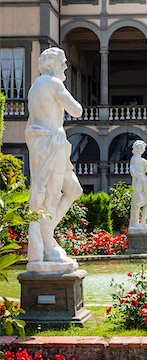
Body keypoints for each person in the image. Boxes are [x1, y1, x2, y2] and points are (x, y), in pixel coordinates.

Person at [26, 47, 83, 266]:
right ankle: (48, 247)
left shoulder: (34, 88)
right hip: (52, 143)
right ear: (53, 65)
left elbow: (32, 121)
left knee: (73, 189)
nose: (66, 67)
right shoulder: (53, 83)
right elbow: (76, 110)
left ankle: (44, 235)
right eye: (63, 63)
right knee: (50, 196)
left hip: (45, 142)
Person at [129, 140, 147, 233]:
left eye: (140, 148)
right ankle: (138, 223)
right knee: (140, 203)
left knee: (143, 203)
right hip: (140, 182)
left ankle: (140, 223)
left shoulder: (137, 160)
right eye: (138, 147)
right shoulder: (138, 160)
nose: (139, 149)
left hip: (141, 182)